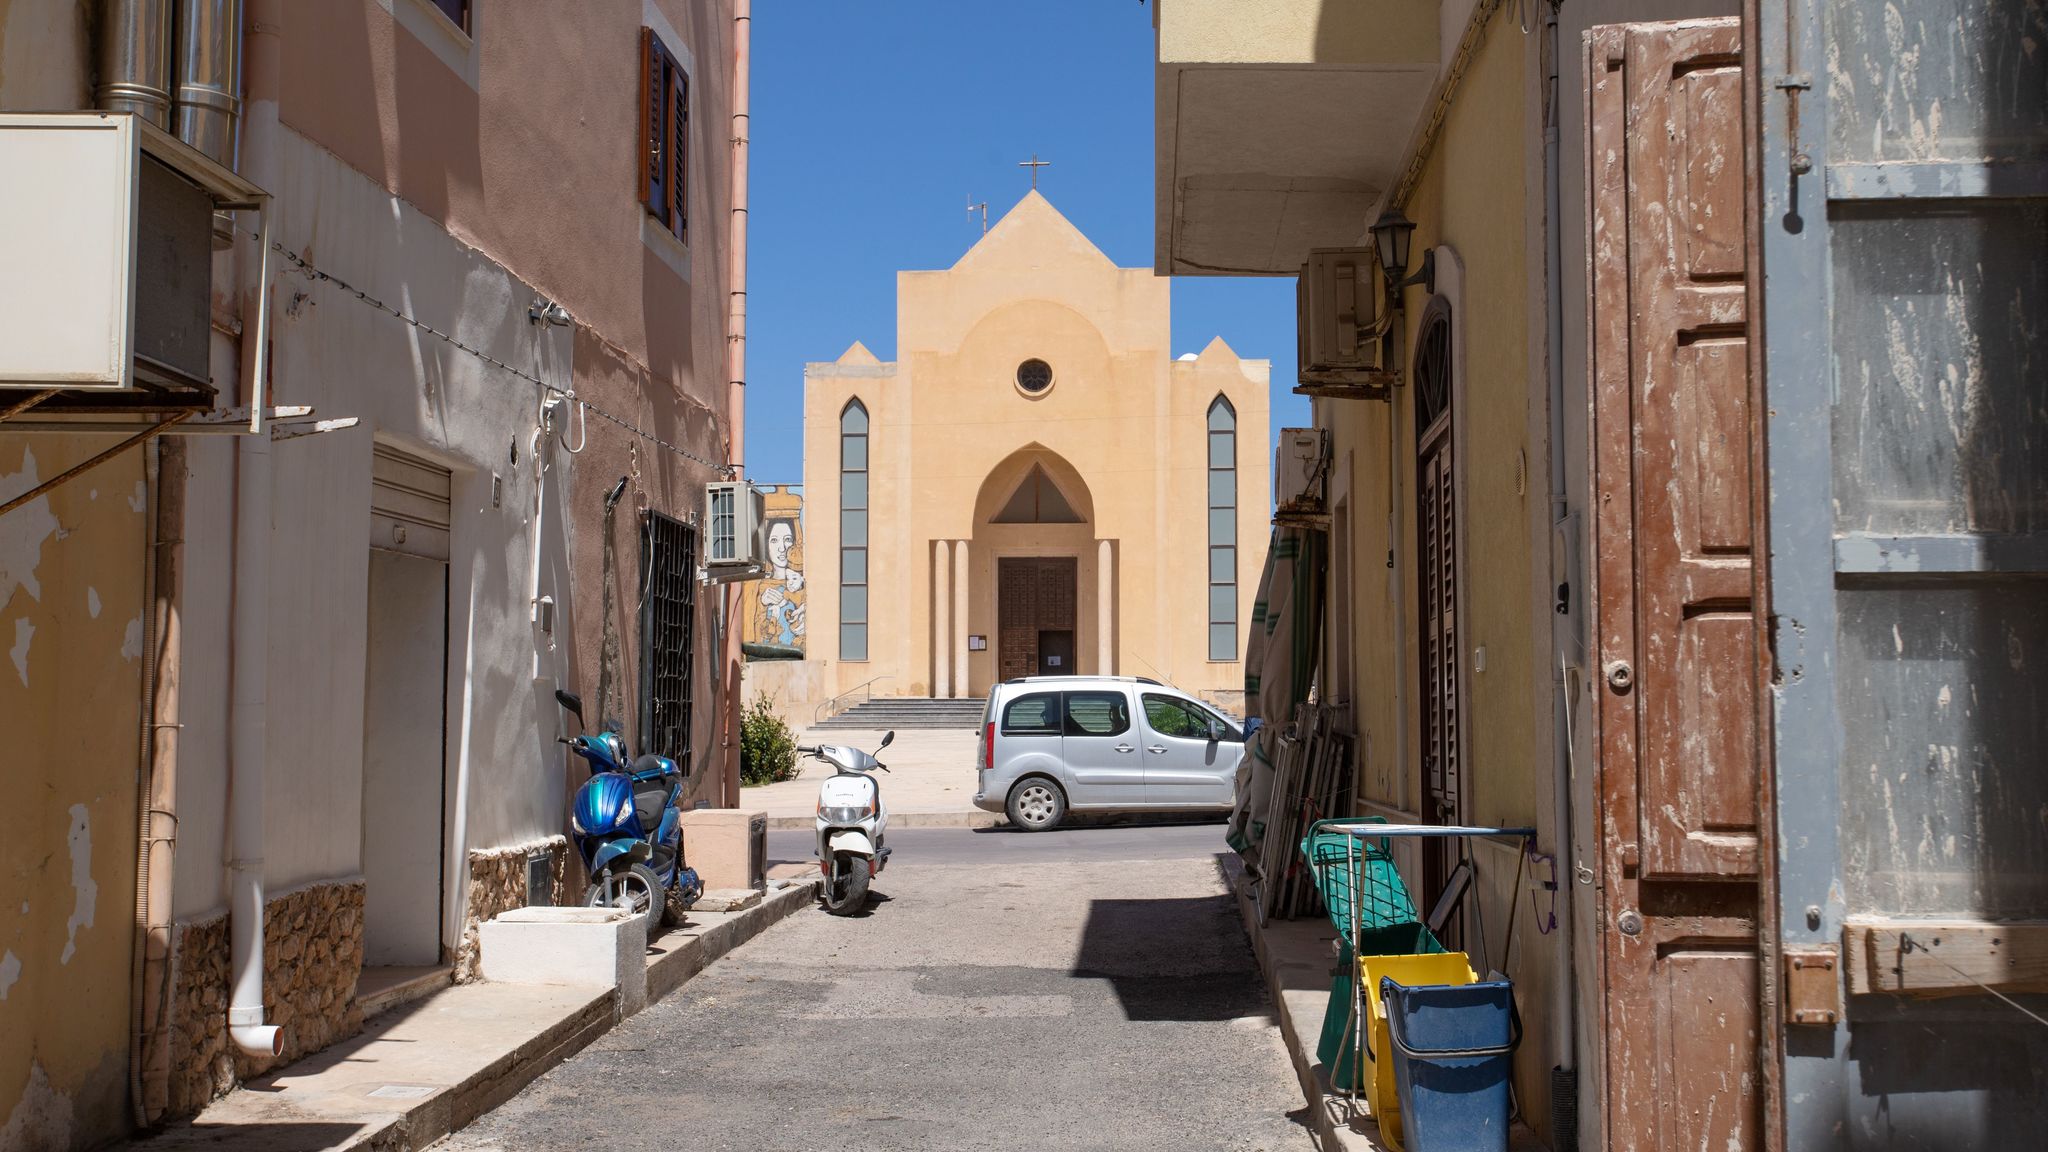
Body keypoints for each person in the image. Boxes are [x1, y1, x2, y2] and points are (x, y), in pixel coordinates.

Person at [755, 518, 805, 645]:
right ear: (765, 545)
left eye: (788, 539)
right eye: (774, 540)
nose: (782, 548)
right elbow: (757, 636)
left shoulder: (803, 585)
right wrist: (762, 603)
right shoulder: (761, 586)